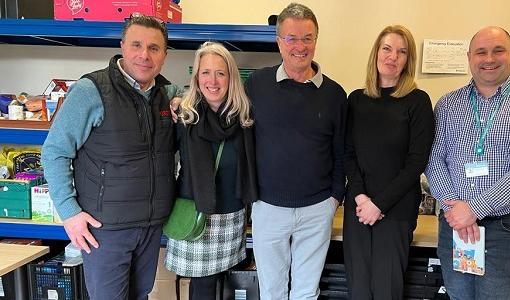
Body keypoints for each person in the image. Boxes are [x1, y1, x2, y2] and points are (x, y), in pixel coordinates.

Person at [41, 15, 181, 300]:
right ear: (122, 46)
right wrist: (69, 212)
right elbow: (54, 152)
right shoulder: (91, 91)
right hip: (105, 229)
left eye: (154, 48)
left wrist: (183, 99)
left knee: (140, 294)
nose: (144, 55)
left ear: (164, 55)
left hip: (150, 225)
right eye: (137, 45)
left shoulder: (166, 94)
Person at [425, 26, 510, 300]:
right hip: (455, 224)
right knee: (458, 296)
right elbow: (434, 159)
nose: (489, 59)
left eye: (498, 50)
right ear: (469, 56)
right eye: (481, 52)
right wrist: (455, 207)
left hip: (507, 229)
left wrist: (474, 209)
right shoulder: (448, 105)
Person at [244, 3, 347, 299]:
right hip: (268, 208)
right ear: (279, 42)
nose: (299, 46)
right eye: (291, 38)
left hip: (317, 209)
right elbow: (237, 132)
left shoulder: (335, 95)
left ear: (316, 41)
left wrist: (334, 199)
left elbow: (341, 151)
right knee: (272, 291)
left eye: (307, 38)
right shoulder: (256, 85)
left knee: (305, 292)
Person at [343, 24, 435, 299]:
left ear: (408, 60)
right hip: (358, 208)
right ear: (376, 53)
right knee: (358, 289)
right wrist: (361, 198)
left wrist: (379, 205)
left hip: (396, 211)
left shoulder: (417, 102)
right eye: (387, 48)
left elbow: (417, 161)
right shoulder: (356, 100)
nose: (392, 56)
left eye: (401, 51)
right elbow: (348, 154)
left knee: (386, 290)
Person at [164, 42, 257, 300]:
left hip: (233, 215)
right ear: (196, 78)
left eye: (220, 73)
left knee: (226, 286)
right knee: (203, 288)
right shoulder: (184, 117)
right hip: (198, 215)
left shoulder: (244, 117)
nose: (212, 81)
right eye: (205, 72)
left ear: (231, 78)